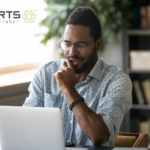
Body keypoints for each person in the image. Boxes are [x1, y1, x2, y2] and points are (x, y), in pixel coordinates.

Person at [23, 7, 132, 147]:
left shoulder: (117, 81)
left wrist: (69, 90)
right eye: (67, 44)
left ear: (98, 44)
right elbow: (26, 124)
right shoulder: (45, 74)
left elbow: (99, 136)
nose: (72, 52)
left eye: (80, 45)